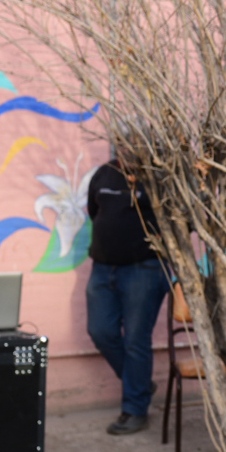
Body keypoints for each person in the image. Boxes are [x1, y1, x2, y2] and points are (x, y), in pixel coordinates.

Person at [86, 153, 170, 434]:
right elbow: (93, 210)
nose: (127, 151)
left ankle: (135, 410)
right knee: (100, 331)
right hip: (102, 267)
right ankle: (141, 385)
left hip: (143, 270)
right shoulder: (104, 174)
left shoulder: (159, 176)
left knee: (136, 340)